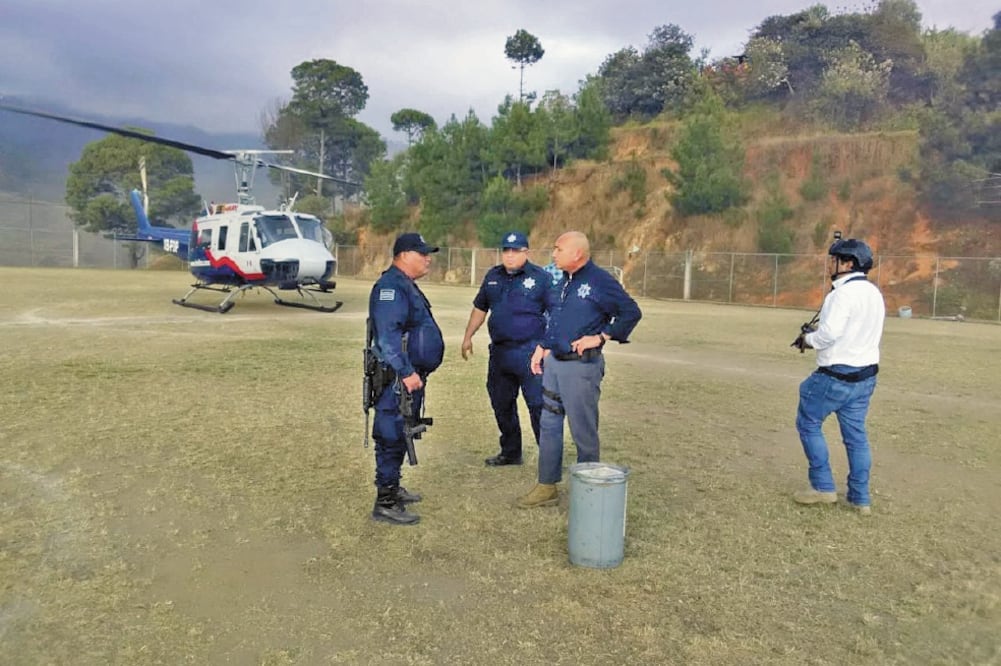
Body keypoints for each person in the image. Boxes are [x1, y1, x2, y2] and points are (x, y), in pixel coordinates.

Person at [518, 231, 642, 508]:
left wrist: (600, 337)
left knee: (583, 430)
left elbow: (630, 312)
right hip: (554, 364)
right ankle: (546, 485)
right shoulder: (563, 281)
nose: (553, 254)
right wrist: (543, 346)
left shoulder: (599, 281)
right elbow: (557, 319)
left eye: (558, 248)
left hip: (580, 369)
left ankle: (588, 492)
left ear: (577, 253)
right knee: (548, 425)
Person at [791, 237, 885, 515]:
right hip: (865, 378)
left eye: (835, 259)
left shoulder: (841, 295)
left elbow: (829, 334)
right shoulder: (873, 293)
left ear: (848, 263)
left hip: (835, 376)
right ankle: (860, 497)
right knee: (856, 437)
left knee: (808, 422)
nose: (830, 265)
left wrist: (807, 340)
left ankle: (822, 487)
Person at [367, 232, 445, 525]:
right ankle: (385, 501)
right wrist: (407, 371)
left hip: (407, 378)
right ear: (403, 256)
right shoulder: (390, 287)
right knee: (390, 435)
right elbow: (387, 337)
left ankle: (394, 486)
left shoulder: (405, 285)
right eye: (422, 253)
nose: (428, 259)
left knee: (401, 431)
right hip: (396, 380)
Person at [461, 231, 553, 467]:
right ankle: (511, 452)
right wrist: (468, 336)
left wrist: (548, 345)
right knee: (501, 402)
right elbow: (480, 308)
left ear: (526, 252)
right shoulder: (493, 276)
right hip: (500, 352)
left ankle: (550, 457)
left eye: (516, 250)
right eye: (506, 251)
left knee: (537, 405)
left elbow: (557, 313)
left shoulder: (541, 278)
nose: (510, 255)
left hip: (530, 352)